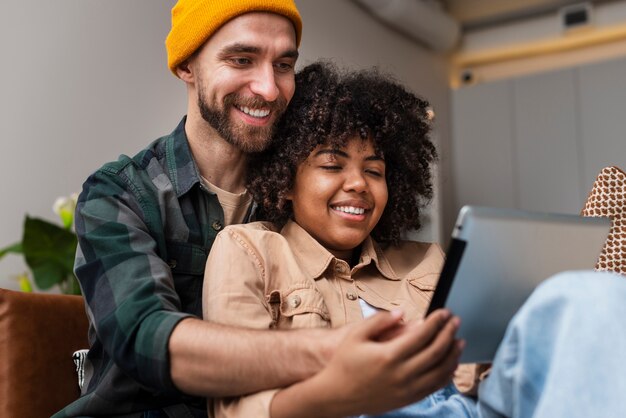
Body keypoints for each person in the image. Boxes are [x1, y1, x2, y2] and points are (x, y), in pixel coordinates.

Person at [55, 1, 461, 417]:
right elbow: (148, 340)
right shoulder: (120, 194)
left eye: (284, 65)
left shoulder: (306, 194)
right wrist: (339, 348)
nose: (268, 88)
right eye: (242, 59)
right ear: (186, 66)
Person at [203, 62, 626, 418]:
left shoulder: (427, 260)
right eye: (332, 165)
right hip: (356, 407)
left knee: (593, 293)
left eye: (375, 170)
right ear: (286, 180)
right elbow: (238, 408)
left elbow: (476, 378)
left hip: (468, 407)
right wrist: (350, 384)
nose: (359, 185)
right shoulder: (249, 250)